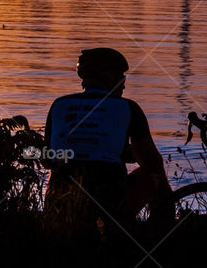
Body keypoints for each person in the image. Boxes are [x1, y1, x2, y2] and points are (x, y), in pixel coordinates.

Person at [43, 47, 173, 231]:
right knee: (155, 171)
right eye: (121, 77)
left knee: (60, 165)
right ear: (109, 76)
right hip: (110, 207)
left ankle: (57, 219)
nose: (124, 84)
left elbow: (48, 158)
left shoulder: (59, 105)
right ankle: (163, 231)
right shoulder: (128, 108)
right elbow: (151, 160)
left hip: (60, 204)